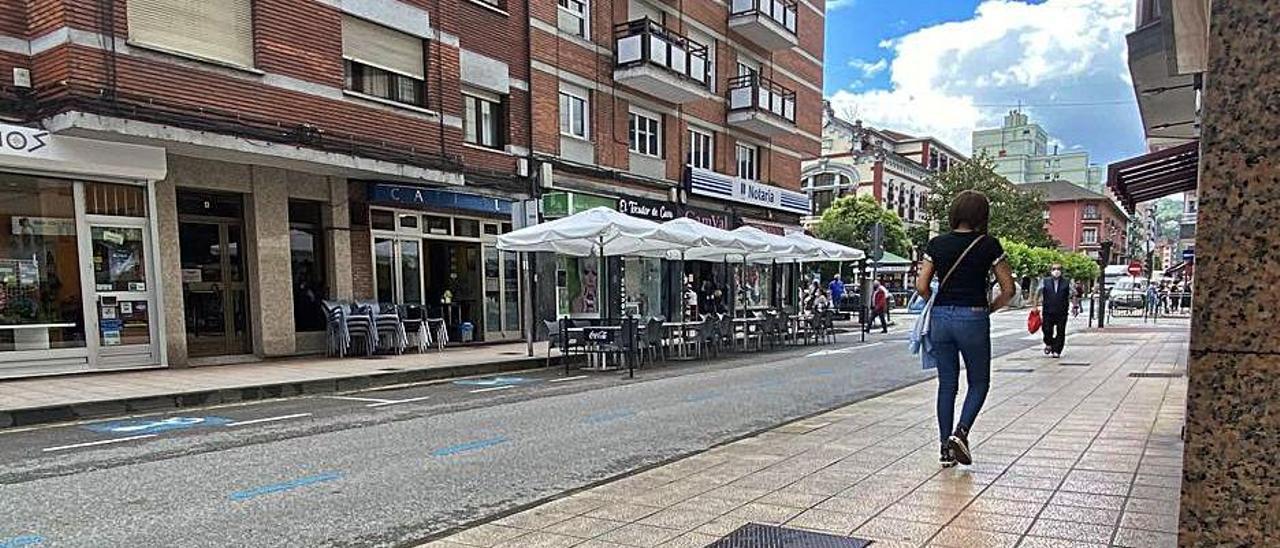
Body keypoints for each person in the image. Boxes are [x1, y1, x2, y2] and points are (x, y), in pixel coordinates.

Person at [915, 190, 1015, 468]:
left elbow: (921, 286)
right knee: (979, 382)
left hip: (940, 320)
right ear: (982, 216)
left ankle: (945, 449)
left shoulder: (937, 244)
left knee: (947, 384)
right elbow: (1009, 289)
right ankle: (961, 432)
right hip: (973, 317)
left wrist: (938, 303)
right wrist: (989, 308)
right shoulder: (989, 245)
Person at [1034, 263, 1071, 358]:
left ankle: (1057, 350)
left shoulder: (1067, 282)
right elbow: (1037, 293)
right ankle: (1049, 343)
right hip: (1048, 311)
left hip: (1062, 311)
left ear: (1061, 271)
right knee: (1046, 329)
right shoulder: (1045, 281)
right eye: (1054, 269)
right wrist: (1035, 306)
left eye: (1058, 269)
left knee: (1061, 331)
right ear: (1051, 271)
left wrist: (1075, 306)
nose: (1056, 271)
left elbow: (1073, 293)